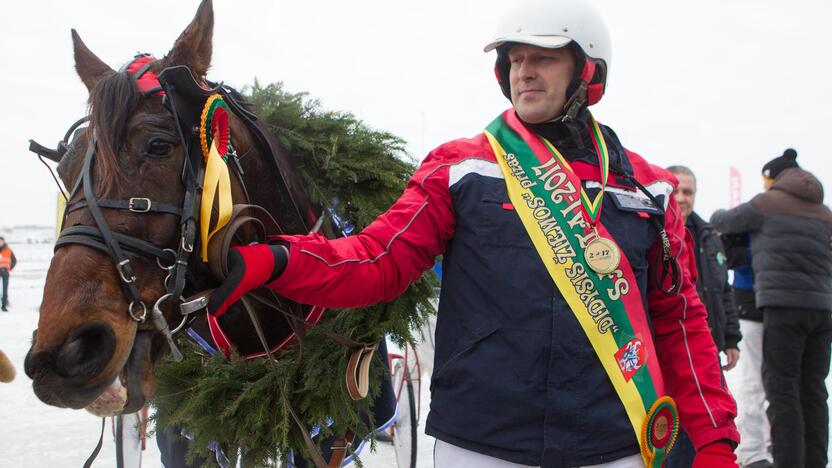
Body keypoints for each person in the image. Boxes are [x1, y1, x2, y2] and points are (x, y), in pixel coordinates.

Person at [209, 1, 740, 466]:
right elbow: (376, 261)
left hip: (615, 443)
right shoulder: (461, 167)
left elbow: (680, 322)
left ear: (587, 70)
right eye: (514, 60)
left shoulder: (651, 190)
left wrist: (714, 440)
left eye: (543, 57)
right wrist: (274, 262)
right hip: (481, 442)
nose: (523, 72)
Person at [711, 148, 832, 468]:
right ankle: (816, 462)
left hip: (782, 307)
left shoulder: (766, 204)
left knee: (782, 389)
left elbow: (721, 220)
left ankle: (789, 462)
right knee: (814, 390)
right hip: (822, 310)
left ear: (774, 180)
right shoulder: (824, 212)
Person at [665, 165, 742, 468]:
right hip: (666, 354)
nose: (682, 198)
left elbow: (724, 290)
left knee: (704, 433)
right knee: (666, 434)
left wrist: (732, 338)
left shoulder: (709, 235)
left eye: (688, 192)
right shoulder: (648, 230)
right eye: (676, 191)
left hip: (706, 350)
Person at [721, 231, 772, 468]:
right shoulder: (750, 218)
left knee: (776, 383)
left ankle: (762, 442)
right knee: (754, 380)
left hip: (775, 306)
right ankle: (750, 448)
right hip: (750, 305)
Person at [0, 237, 16, 312]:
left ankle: (4, 305)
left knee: (5, 290)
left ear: (4, 241)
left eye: (1, 241)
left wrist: (9, 268)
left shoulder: (8, 250)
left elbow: (14, 260)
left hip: (5, 272)